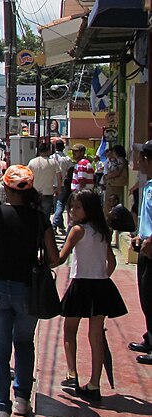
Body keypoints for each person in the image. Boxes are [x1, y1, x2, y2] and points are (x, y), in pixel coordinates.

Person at [0, 164, 60, 417]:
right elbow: (54, 258)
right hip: (27, 290)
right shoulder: (40, 218)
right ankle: (21, 399)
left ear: (7, 189)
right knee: (23, 343)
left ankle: (1, 410)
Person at [58, 189, 128, 401]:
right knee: (96, 337)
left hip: (80, 285)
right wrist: (101, 276)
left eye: (77, 207)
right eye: (71, 206)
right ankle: (94, 383)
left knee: (69, 330)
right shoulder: (103, 231)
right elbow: (112, 262)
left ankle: (72, 373)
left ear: (87, 209)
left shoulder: (77, 230)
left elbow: (62, 257)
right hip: (101, 286)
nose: (72, 210)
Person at [130, 140, 152, 365]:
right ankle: (150, 337)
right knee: (146, 296)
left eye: (142, 158)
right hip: (145, 246)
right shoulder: (149, 185)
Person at [28, 142, 58, 217]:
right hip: (48, 192)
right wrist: (58, 188)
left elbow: (27, 175)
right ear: (48, 151)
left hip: (35, 192)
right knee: (46, 215)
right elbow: (59, 176)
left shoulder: (32, 162)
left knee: (35, 214)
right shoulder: (53, 162)